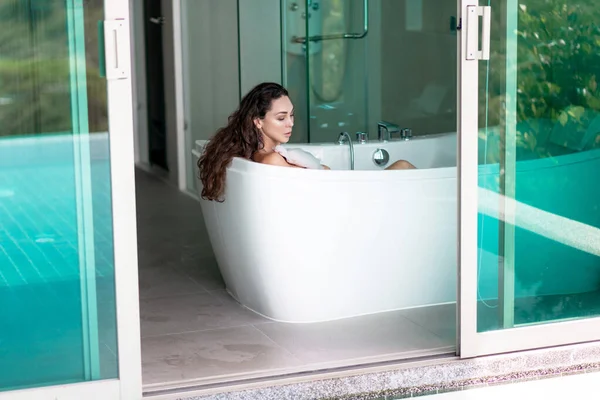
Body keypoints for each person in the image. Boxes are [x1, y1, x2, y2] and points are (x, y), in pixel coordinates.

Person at [198, 82, 415, 201]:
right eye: (281, 118)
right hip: (344, 203)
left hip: (342, 196)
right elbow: (315, 188)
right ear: (258, 122)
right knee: (404, 166)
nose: (290, 123)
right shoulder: (272, 159)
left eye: (291, 115)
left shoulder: (268, 153)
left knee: (402, 169)